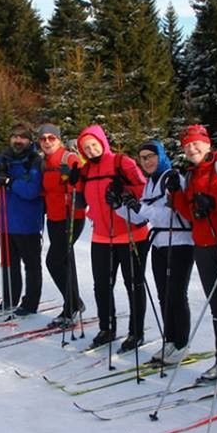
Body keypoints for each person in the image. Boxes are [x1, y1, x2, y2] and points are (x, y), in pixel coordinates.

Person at [166, 124, 217, 384]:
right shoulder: (190, 175)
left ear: (208, 144)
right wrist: (176, 195)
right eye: (187, 145)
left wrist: (216, 204)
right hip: (203, 245)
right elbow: (191, 215)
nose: (192, 148)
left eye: (196, 143)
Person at [72, 124, 148, 351]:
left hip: (131, 234)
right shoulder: (86, 171)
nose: (91, 150)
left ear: (103, 142)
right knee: (102, 285)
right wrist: (73, 181)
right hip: (102, 236)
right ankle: (107, 328)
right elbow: (80, 202)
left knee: (133, 285)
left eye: (94, 145)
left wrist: (125, 193)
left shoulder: (121, 162)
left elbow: (144, 189)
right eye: (86, 148)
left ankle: (136, 332)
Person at [119, 139, 194, 364]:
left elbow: (175, 215)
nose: (147, 161)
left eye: (150, 156)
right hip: (160, 243)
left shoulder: (172, 177)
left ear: (160, 156)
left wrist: (141, 207)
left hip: (180, 241)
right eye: (142, 158)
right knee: (164, 295)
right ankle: (169, 340)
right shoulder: (150, 182)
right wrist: (120, 206)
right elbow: (141, 219)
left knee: (177, 295)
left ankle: (181, 343)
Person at [0, 123, 45, 316]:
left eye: (23, 137)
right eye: (15, 137)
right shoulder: (5, 155)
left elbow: (32, 191)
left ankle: (30, 302)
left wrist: (10, 182)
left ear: (29, 140)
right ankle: (10, 298)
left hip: (27, 222)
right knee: (9, 263)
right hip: (6, 220)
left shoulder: (34, 160)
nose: (18, 141)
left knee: (31, 265)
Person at [39, 123, 86, 328]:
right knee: (65, 261)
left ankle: (73, 304)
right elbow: (46, 190)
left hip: (71, 216)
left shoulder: (69, 158)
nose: (47, 141)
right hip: (54, 217)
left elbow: (82, 184)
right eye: (43, 138)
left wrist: (73, 181)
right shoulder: (44, 162)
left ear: (59, 139)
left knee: (54, 261)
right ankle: (73, 304)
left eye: (52, 138)